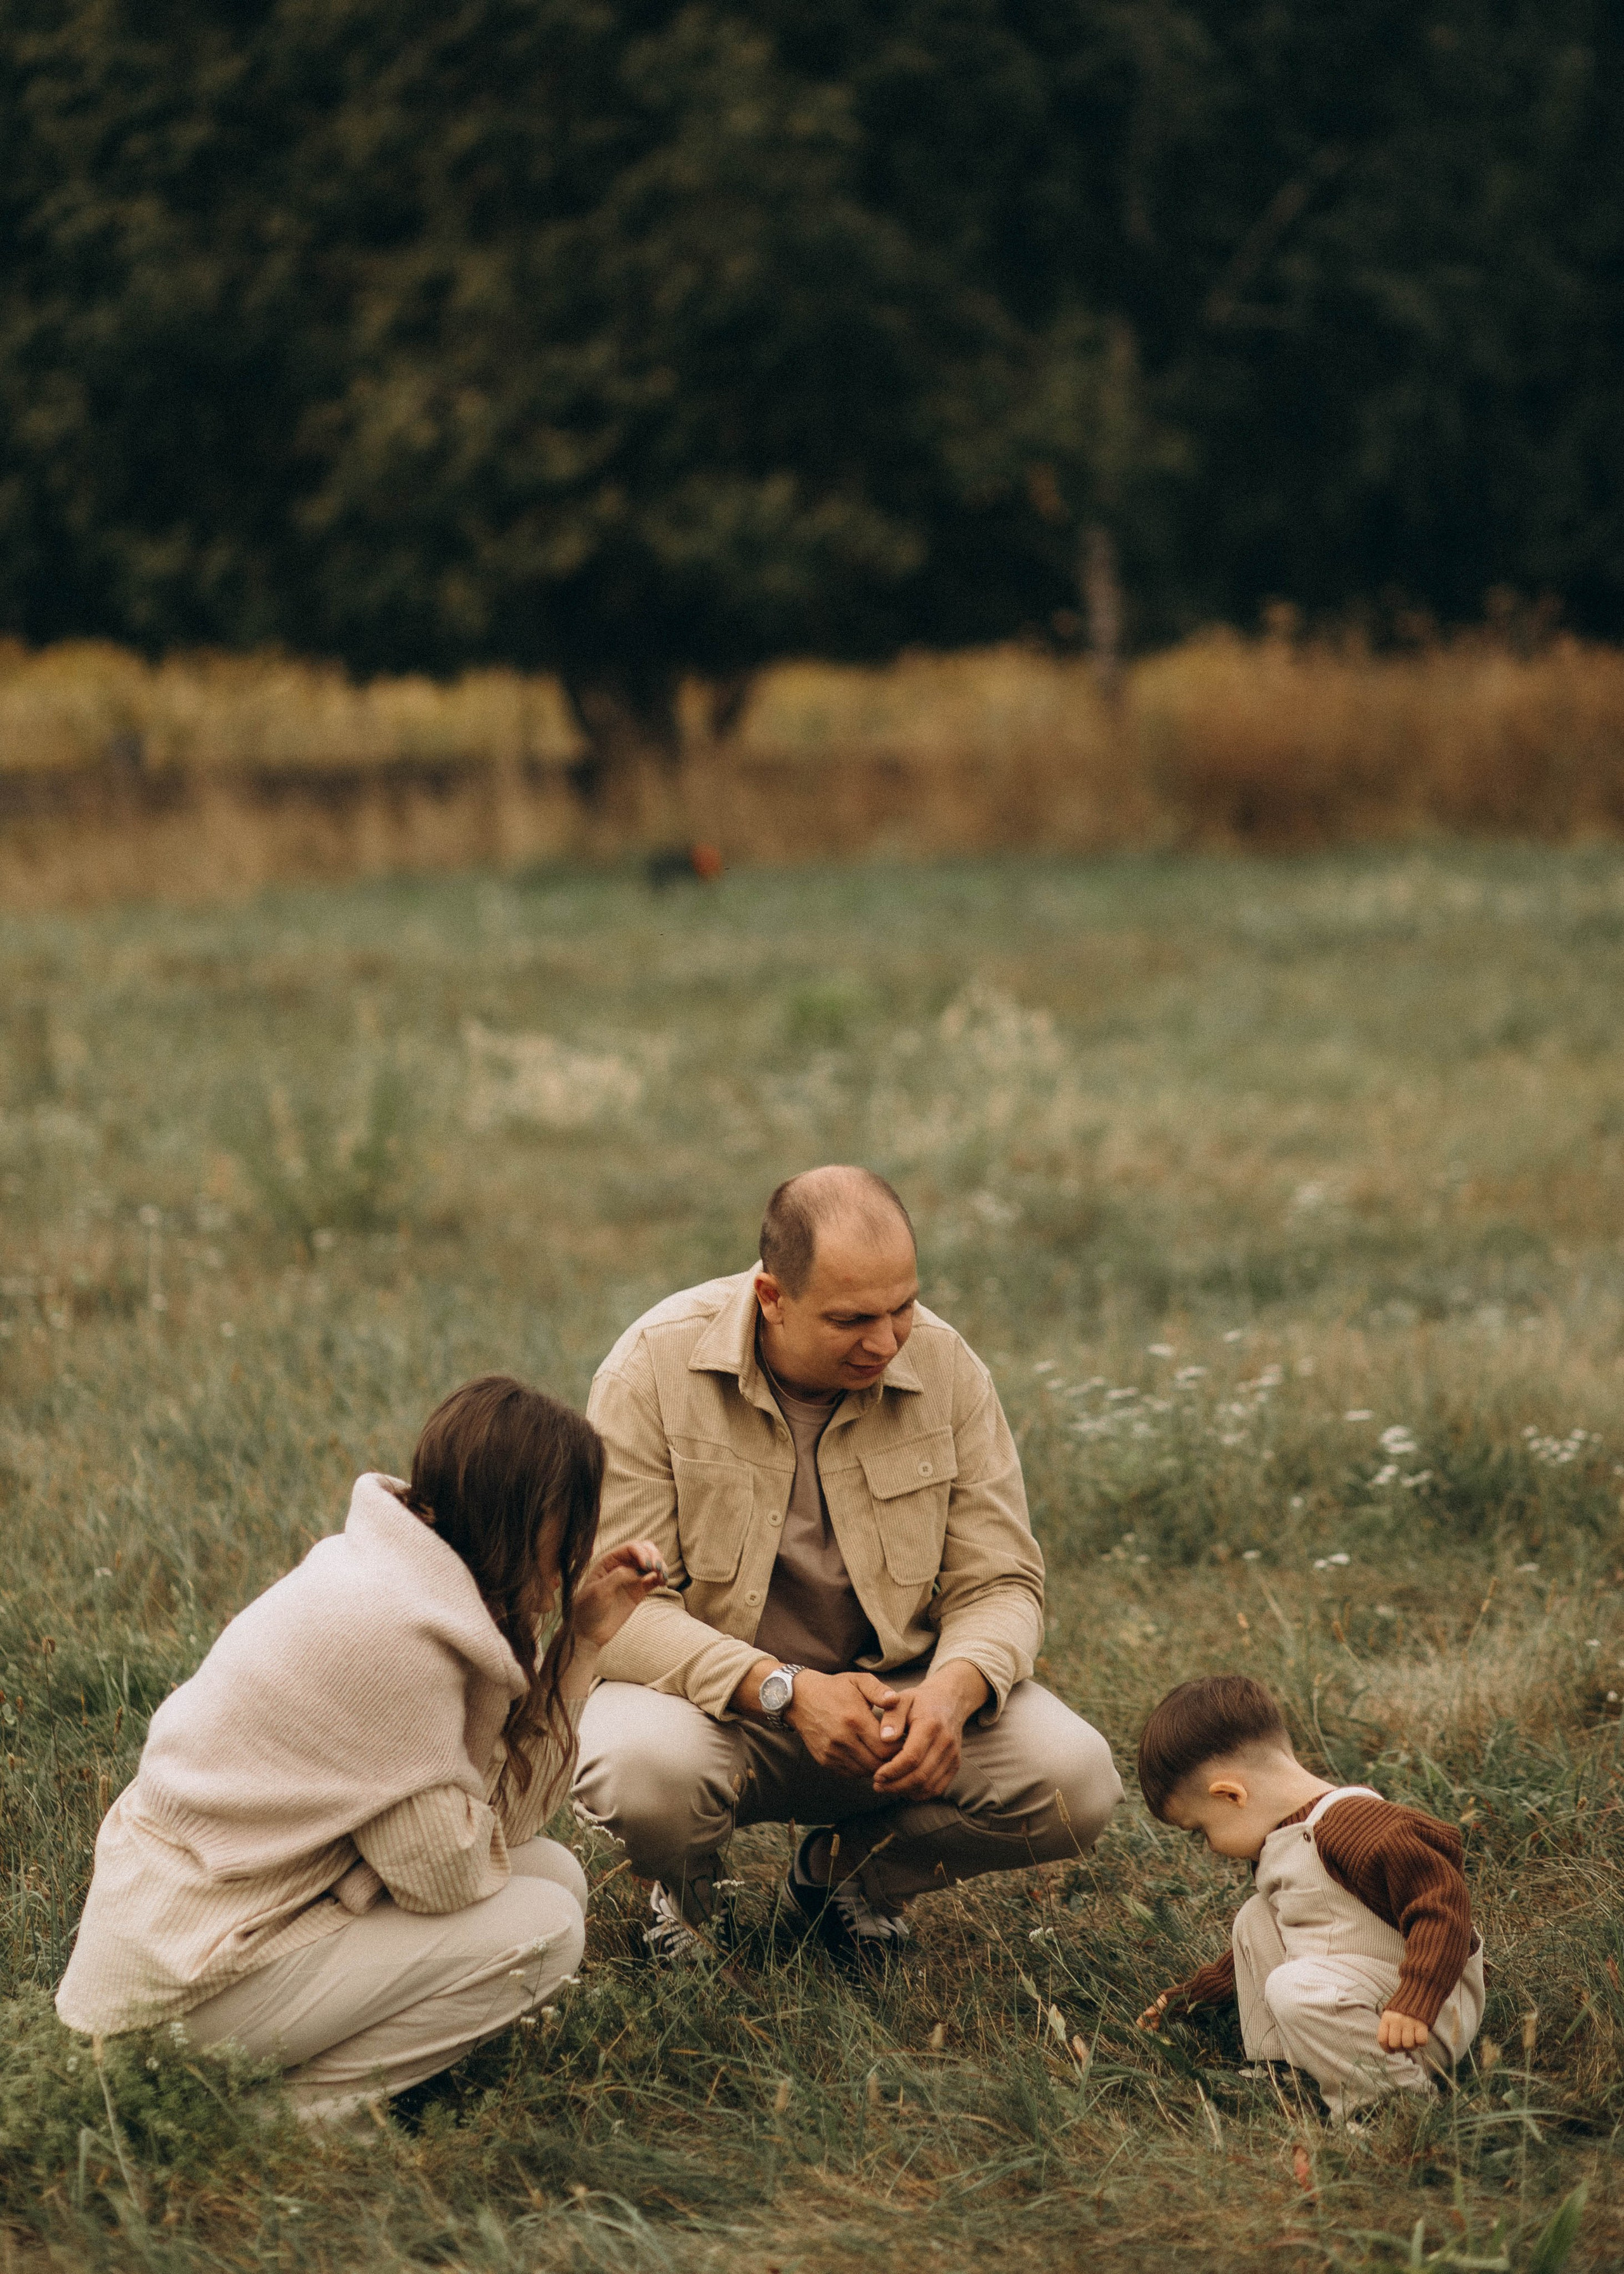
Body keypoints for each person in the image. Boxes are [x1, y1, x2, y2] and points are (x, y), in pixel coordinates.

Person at [56, 1376, 666, 2123]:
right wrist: (467, 1814)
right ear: (515, 1518)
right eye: (567, 1523)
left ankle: (305, 2084)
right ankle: (262, 2122)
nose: (579, 1547)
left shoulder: (418, 1580)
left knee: (554, 1877)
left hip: (230, 1923)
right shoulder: (395, 1639)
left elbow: (509, 1829)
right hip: (179, 1979)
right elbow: (442, 1875)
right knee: (543, 1928)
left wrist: (582, 1643)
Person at [573, 1164, 1123, 1961]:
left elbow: (999, 1580)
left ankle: (845, 1879)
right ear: (772, 1297)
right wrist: (786, 1691)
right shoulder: (651, 1368)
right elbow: (616, 1613)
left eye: (902, 1306)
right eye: (851, 1318)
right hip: (720, 1710)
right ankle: (689, 1899)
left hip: (898, 1703)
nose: (887, 1340)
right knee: (642, 1771)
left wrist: (951, 1690)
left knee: (1077, 1782)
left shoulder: (947, 1366)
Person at [1135, 1674, 1484, 2123]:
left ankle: (1390, 2104)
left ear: (1231, 1795)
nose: (1209, 1847)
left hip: (1425, 2013)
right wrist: (1190, 1999)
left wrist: (1416, 1999)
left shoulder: (1356, 1825)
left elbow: (1444, 1908)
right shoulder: (1286, 1838)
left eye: (1202, 1830)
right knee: (1254, 1919)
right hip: (1357, 1996)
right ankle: (1286, 2067)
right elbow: (1283, 1935)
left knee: (1293, 1987)